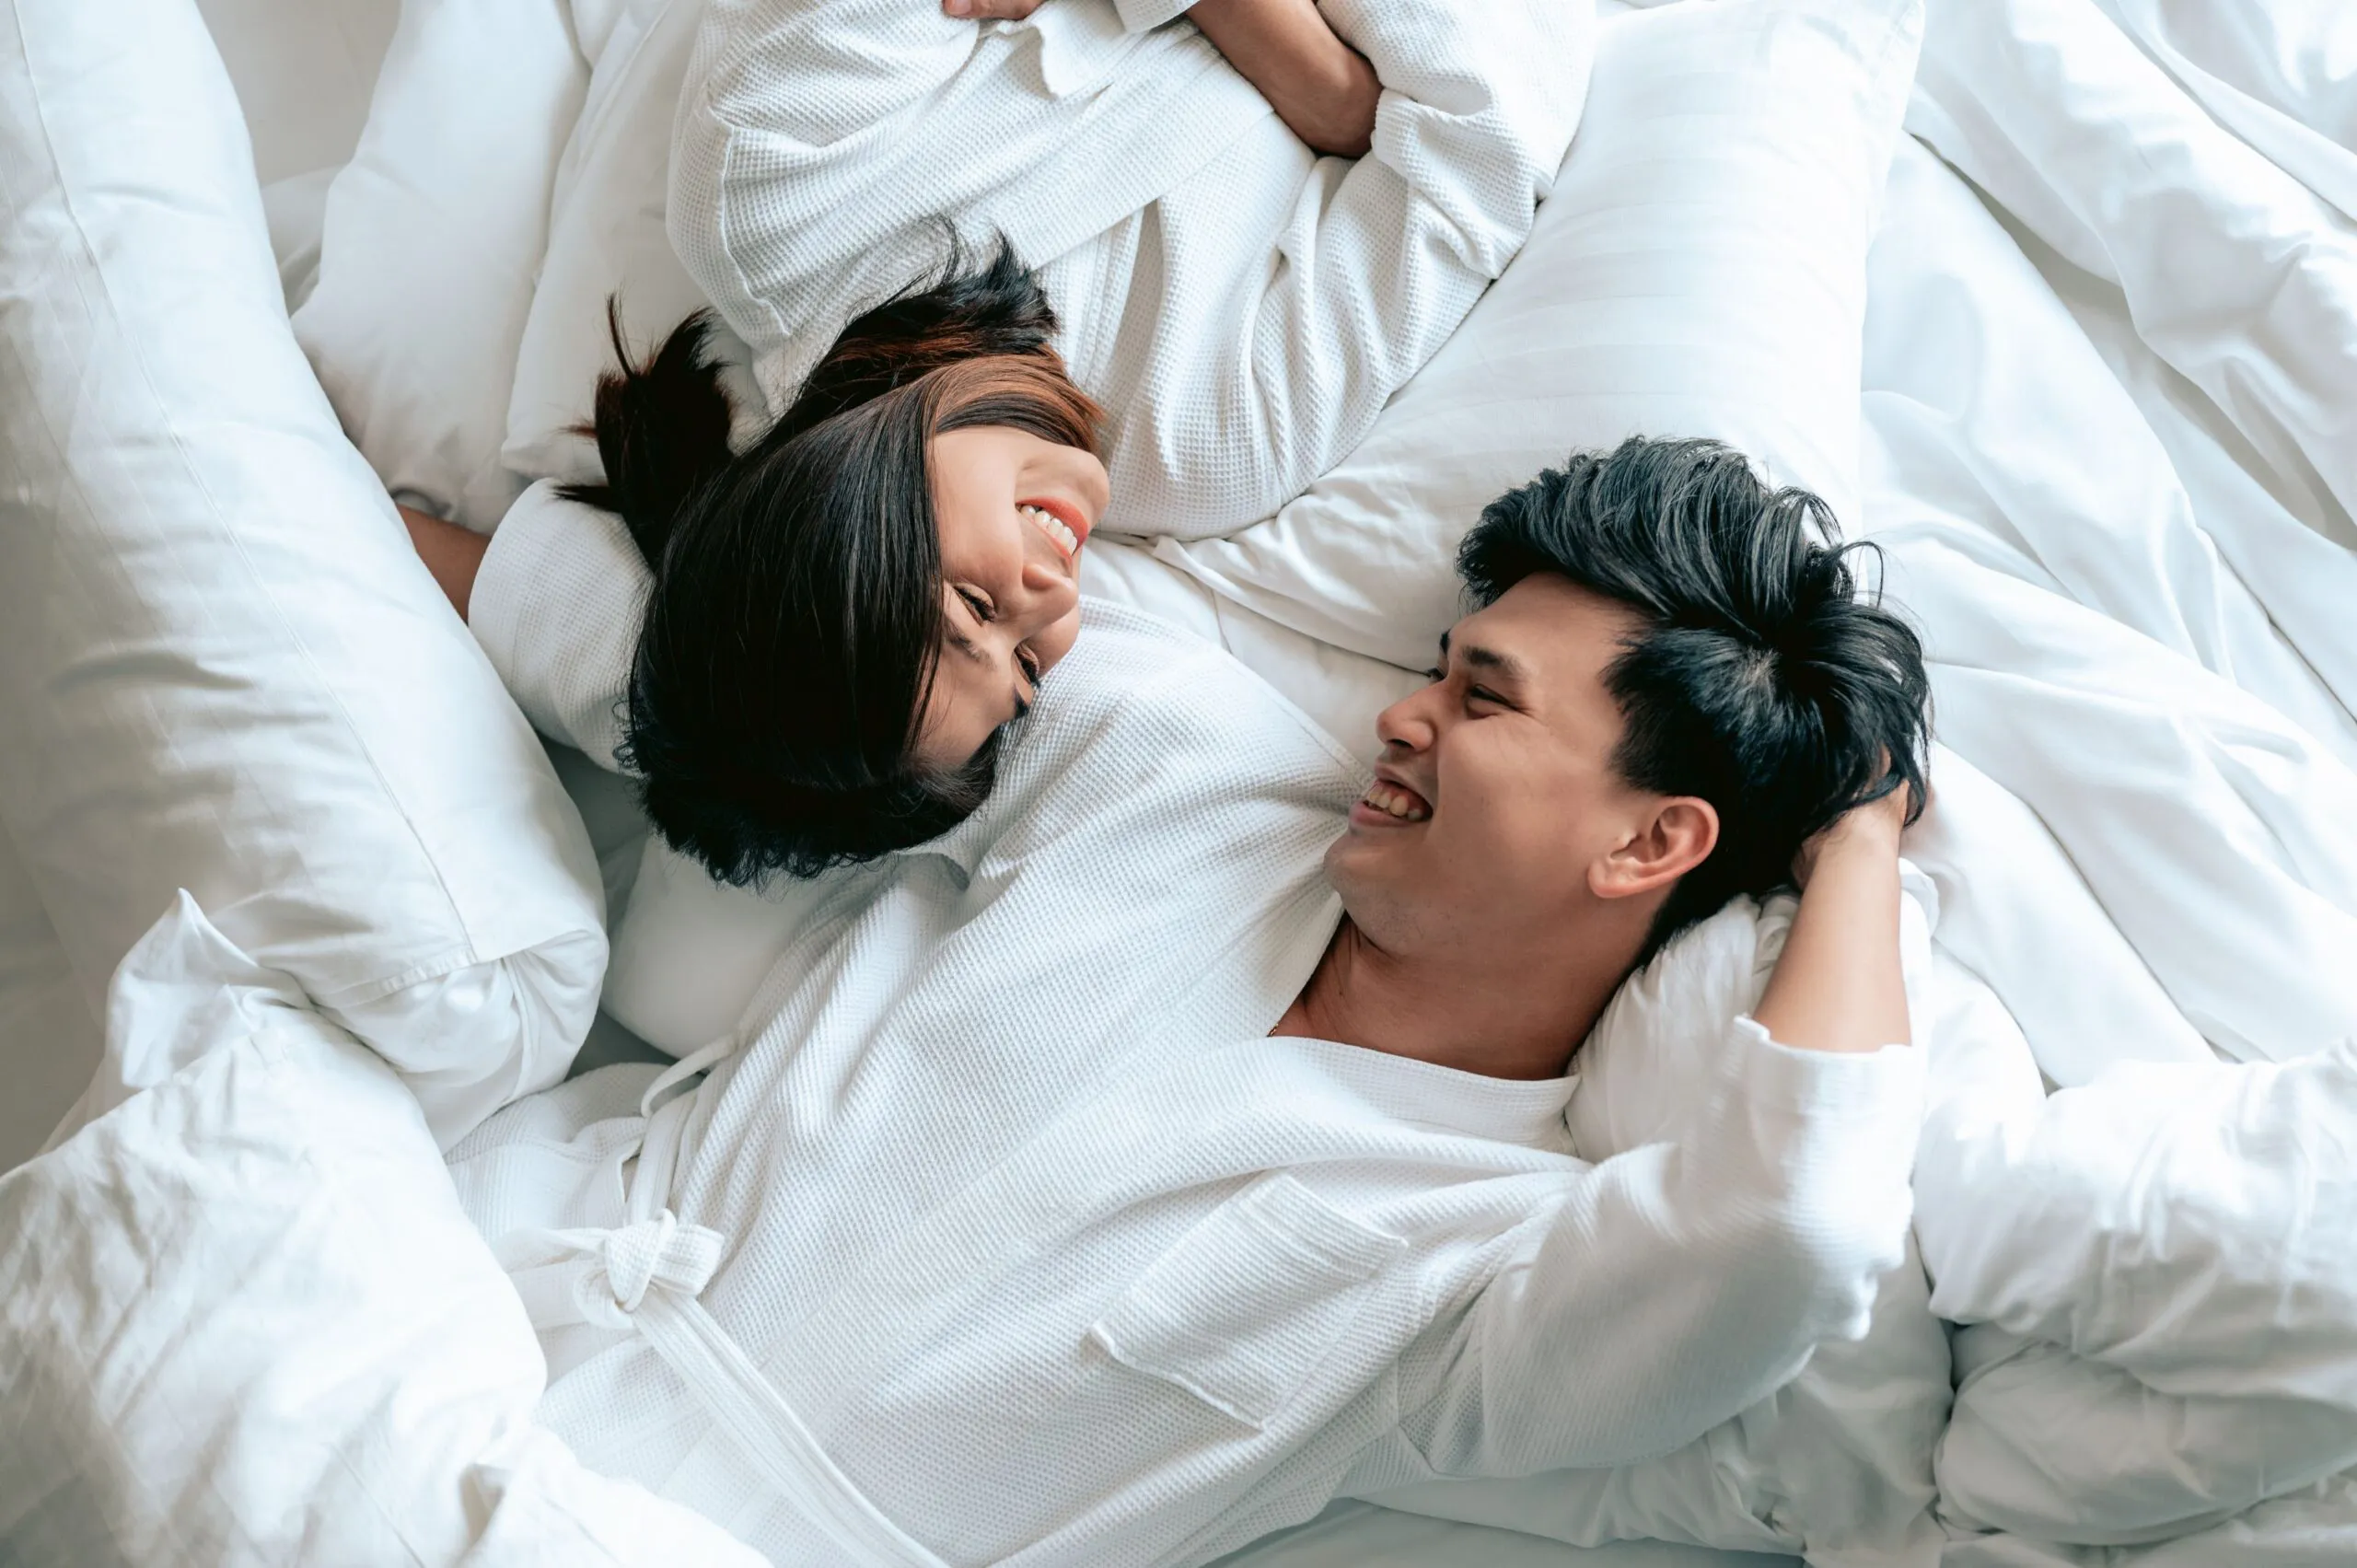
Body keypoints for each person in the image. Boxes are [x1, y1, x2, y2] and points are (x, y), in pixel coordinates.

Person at [447, 437, 1934, 1567]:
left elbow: (1795, 1222)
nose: (1402, 715)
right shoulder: (1189, 758)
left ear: (1652, 841)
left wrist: (1858, 835)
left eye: (1483, 699)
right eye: (1433, 671)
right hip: (466, 1294)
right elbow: (769, 674)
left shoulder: (1491, 1259)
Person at [401, 0, 1590, 884]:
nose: (1050, 603)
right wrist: (1301, 65)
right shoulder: (1211, 441)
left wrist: (1336, 94)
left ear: (838, 503)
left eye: (972, 608)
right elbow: (1484, 140)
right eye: (1026, 670)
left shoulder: (780, 188)